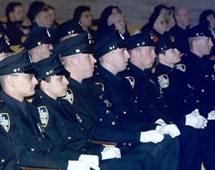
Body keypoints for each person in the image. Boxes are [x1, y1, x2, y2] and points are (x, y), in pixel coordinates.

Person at [56, 32, 179, 170]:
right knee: (141, 161)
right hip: (96, 152)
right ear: (74, 60)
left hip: (112, 143)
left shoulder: (90, 86)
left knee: (168, 141)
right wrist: (139, 136)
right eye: (89, 56)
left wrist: (152, 127)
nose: (95, 60)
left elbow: (115, 119)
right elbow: (91, 132)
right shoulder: (67, 93)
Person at [31, 54, 144, 170]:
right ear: (44, 84)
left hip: (87, 155)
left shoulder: (62, 103)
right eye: (60, 79)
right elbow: (56, 149)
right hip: (75, 163)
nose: (66, 82)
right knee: (134, 165)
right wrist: (96, 155)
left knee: (141, 159)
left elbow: (82, 137)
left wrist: (102, 148)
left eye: (65, 77)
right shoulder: (42, 110)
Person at [0, 50, 97, 170]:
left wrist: (78, 157)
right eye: (29, 77)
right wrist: (66, 164)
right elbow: (21, 156)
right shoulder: (3, 113)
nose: (36, 81)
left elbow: (49, 146)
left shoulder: (29, 107)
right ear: (11, 81)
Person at [153, 32, 205, 170]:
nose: (177, 52)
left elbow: (190, 97)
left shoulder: (177, 73)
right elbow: (169, 105)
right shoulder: (162, 77)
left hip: (187, 116)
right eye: (172, 50)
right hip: (174, 120)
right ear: (161, 55)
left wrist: (196, 113)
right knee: (193, 136)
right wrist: (187, 118)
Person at [176, 22, 215, 170]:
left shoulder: (206, 63)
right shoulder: (184, 65)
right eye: (208, 39)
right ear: (197, 42)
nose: (212, 43)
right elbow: (187, 98)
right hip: (196, 114)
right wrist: (207, 112)